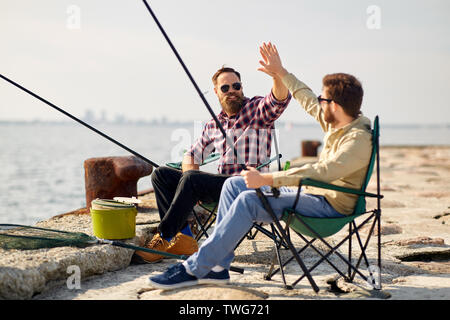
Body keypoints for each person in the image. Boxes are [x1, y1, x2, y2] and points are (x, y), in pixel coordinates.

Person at [147, 42, 373, 288]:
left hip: (327, 203)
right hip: (307, 193)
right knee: (230, 184)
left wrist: (267, 179)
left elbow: (323, 172)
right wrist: (280, 71)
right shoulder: (336, 122)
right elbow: (305, 97)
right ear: (216, 91)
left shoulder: (358, 139)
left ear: (335, 107)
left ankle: (195, 266)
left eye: (324, 100)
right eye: (226, 87)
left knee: (247, 199)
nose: (319, 103)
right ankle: (218, 266)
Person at [135, 50, 292, 263]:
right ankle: (185, 238)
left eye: (236, 86)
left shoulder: (256, 109)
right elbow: (192, 154)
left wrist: (276, 74)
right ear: (217, 92)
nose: (232, 91)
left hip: (250, 188)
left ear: (242, 87)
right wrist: (189, 177)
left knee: (191, 180)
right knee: (161, 175)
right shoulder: (213, 124)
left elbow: (278, 100)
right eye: (225, 88)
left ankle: (163, 236)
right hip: (222, 189)